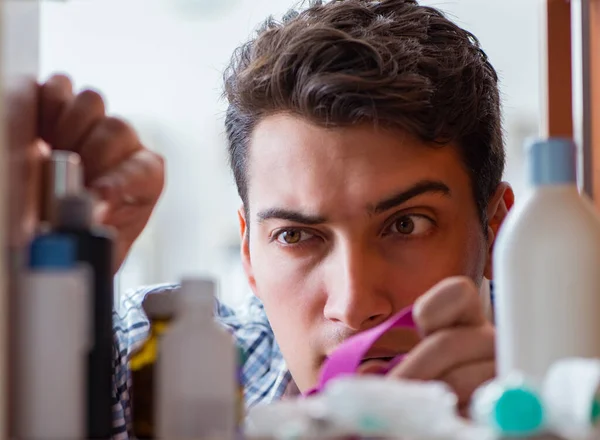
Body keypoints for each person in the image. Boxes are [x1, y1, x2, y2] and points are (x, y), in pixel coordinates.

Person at [32, 1, 515, 439]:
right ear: (248, 253)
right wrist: (48, 289)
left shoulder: (572, 393)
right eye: (296, 235)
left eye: (407, 224)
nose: (352, 305)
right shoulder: (155, 364)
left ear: (496, 233)